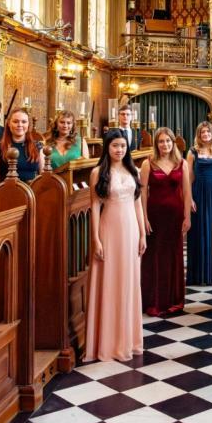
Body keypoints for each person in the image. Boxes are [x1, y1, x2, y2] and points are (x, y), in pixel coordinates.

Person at [84, 129, 146, 362]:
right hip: (109, 230)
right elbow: (95, 207)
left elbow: (138, 204)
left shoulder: (133, 170)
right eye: (115, 146)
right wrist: (96, 239)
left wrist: (142, 234)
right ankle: (107, 343)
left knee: (129, 282)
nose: (119, 150)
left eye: (123, 146)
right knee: (109, 280)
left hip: (130, 230)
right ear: (107, 147)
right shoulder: (97, 172)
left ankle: (127, 340)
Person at [140, 127, 192, 317]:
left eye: (168, 141)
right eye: (161, 141)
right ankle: (153, 301)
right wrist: (143, 218)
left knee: (173, 256)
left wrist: (187, 216)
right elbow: (143, 193)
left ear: (173, 143)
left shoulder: (182, 163)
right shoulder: (148, 164)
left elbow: (186, 193)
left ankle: (173, 300)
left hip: (175, 217)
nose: (165, 145)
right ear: (156, 144)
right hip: (154, 216)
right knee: (154, 257)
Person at [186, 121, 212, 285]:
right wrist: (189, 199)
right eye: (202, 132)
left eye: (208, 132)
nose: (206, 135)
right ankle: (197, 275)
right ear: (199, 135)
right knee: (199, 232)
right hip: (198, 194)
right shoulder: (192, 151)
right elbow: (188, 177)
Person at [0, 109, 44, 191]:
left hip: (32, 194)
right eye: (15, 121)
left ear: (28, 125)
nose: (20, 125)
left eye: (24, 122)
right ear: (9, 124)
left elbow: (43, 177)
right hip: (7, 195)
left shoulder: (38, 146)